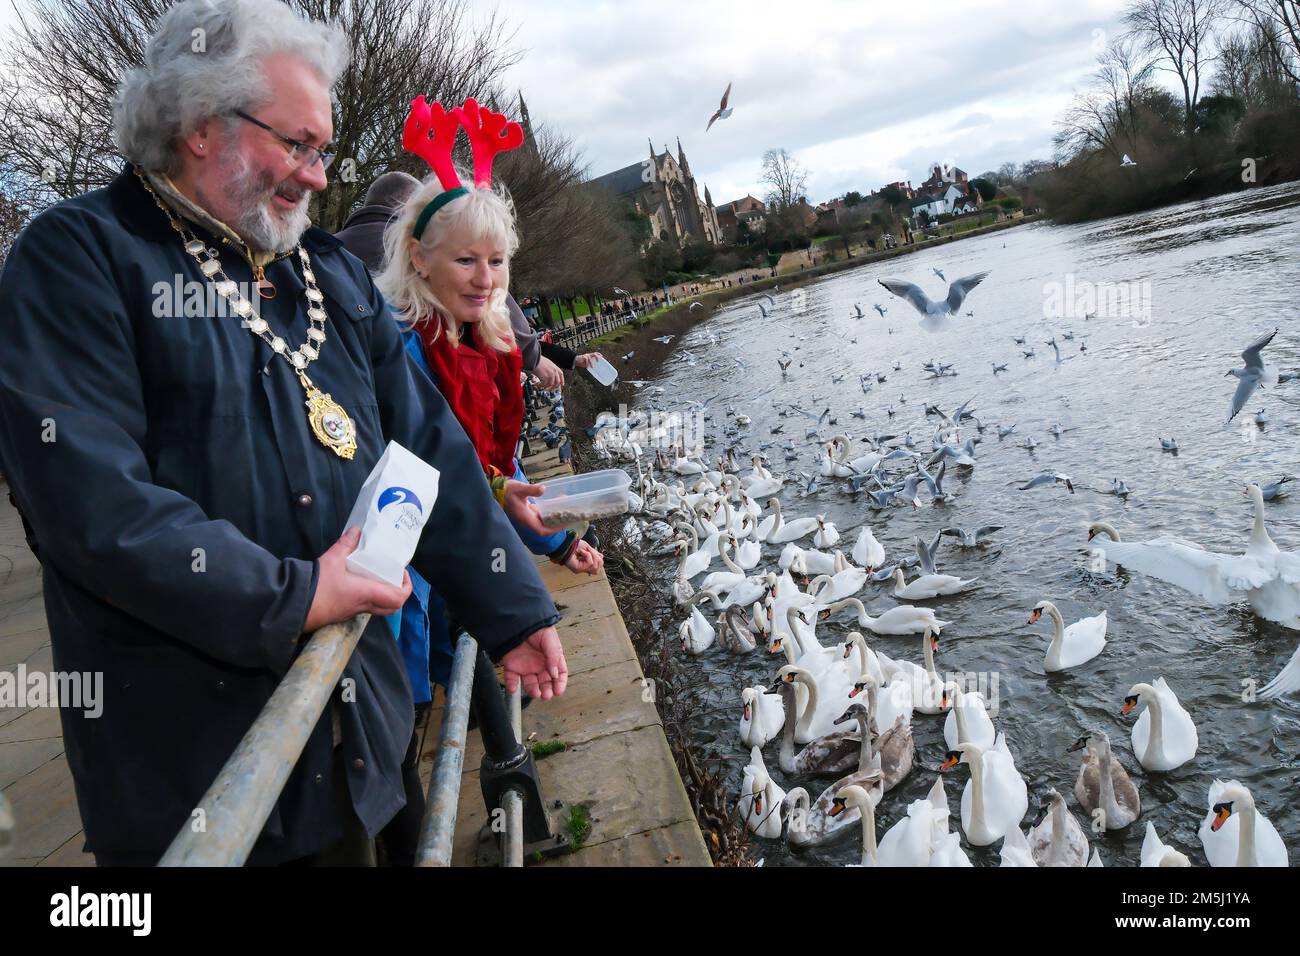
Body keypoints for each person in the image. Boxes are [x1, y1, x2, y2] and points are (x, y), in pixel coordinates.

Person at [0, 0, 567, 867]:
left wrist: (510, 609)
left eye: (324, 149)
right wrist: (290, 595)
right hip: (204, 778)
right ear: (199, 124)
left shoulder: (327, 271)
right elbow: (90, 504)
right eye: (296, 144)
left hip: (363, 742)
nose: (317, 176)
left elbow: (428, 447)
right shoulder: (76, 258)